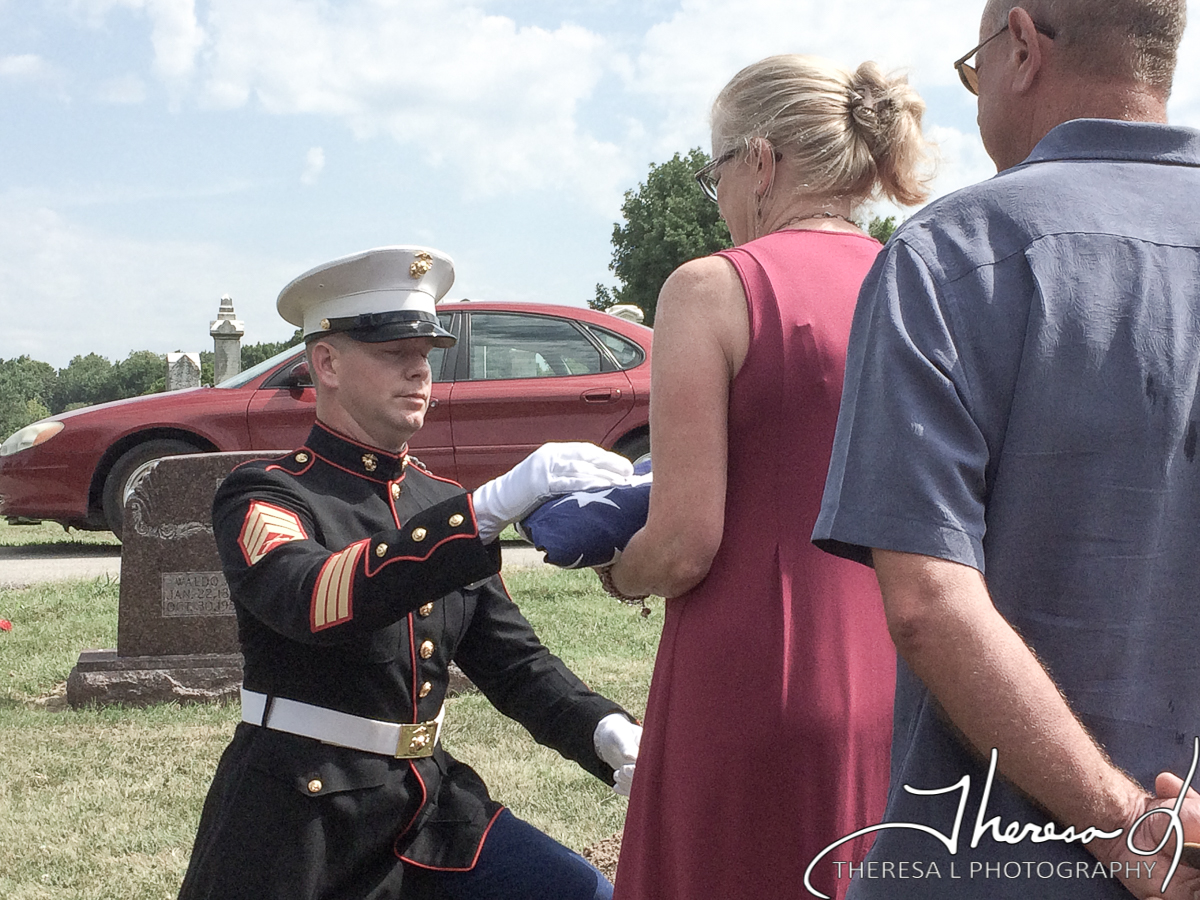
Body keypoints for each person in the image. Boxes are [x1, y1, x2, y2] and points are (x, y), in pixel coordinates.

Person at [813, 2, 1200, 898]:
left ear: (1021, 46)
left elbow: (929, 602)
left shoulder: (949, 255)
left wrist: (1123, 823)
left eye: (972, 67)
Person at [178, 245, 643, 900]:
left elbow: (514, 663)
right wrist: (486, 509)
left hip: (428, 810)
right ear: (327, 363)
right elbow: (313, 598)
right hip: (302, 821)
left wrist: (605, 731)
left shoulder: (437, 501)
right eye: (395, 352)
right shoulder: (266, 493)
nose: (420, 369)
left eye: (425, 352)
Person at [601, 55, 932, 899]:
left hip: (751, 675)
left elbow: (684, 543)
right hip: (904, 673)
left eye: (714, 169)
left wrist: (615, 569)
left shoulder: (711, 289)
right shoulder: (922, 279)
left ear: (759, 161)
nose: (716, 194)